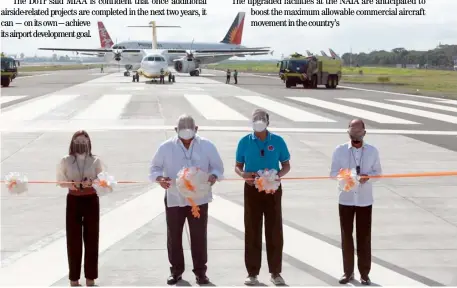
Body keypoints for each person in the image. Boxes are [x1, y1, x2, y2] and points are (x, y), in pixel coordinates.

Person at [149, 114, 224, 285]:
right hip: (175, 197)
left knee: (198, 235)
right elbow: (154, 168)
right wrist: (160, 178)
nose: (186, 138)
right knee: (174, 236)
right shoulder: (166, 147)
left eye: (190, 132)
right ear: (175, 131)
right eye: (182, 132)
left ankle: (200, 272)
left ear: (197, 130)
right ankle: (176, 271)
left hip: (199, 199)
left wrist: (213, 176)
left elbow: (218, 167)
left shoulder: (207, 146)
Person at [235, 108, 291, 286]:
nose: (258, 121)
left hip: (273, 190)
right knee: (252, 229)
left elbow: (286, 164)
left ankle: (276, 272)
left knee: (274, 229)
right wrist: (243, 175)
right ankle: (252, 273)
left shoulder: (278, 141)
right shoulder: (244, 141)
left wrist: (277, 177)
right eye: (255, 119)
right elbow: (237, 166)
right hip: (252, 189)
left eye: (261, 119)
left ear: (268, 122)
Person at [329, 119, 382, 285]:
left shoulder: (372, 151)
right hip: (346, 199)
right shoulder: (339, 150)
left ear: (364, 133)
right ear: (348, 132)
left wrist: (369, 178)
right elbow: (332, 173)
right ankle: (348, 272)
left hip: (365, 200)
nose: (356, 134)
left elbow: (378, 173)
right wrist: (344, 177)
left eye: (359, 131)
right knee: (346, 236)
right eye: (353, 131)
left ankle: (364, 274)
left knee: (364, 237)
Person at [56, 130, 105, 287]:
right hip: (74, 200)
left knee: (91, 239)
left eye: (84, 141)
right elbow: (60, 181)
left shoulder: (95, 161)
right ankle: (74, 278)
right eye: (78, 141)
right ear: (73, 142)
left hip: (90, 200)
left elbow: (103, 180)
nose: (81, 144)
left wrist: (92, 182)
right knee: (73, 239)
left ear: (89, 143)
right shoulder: (66, 160)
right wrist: (72, 184)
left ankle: (90, 277)